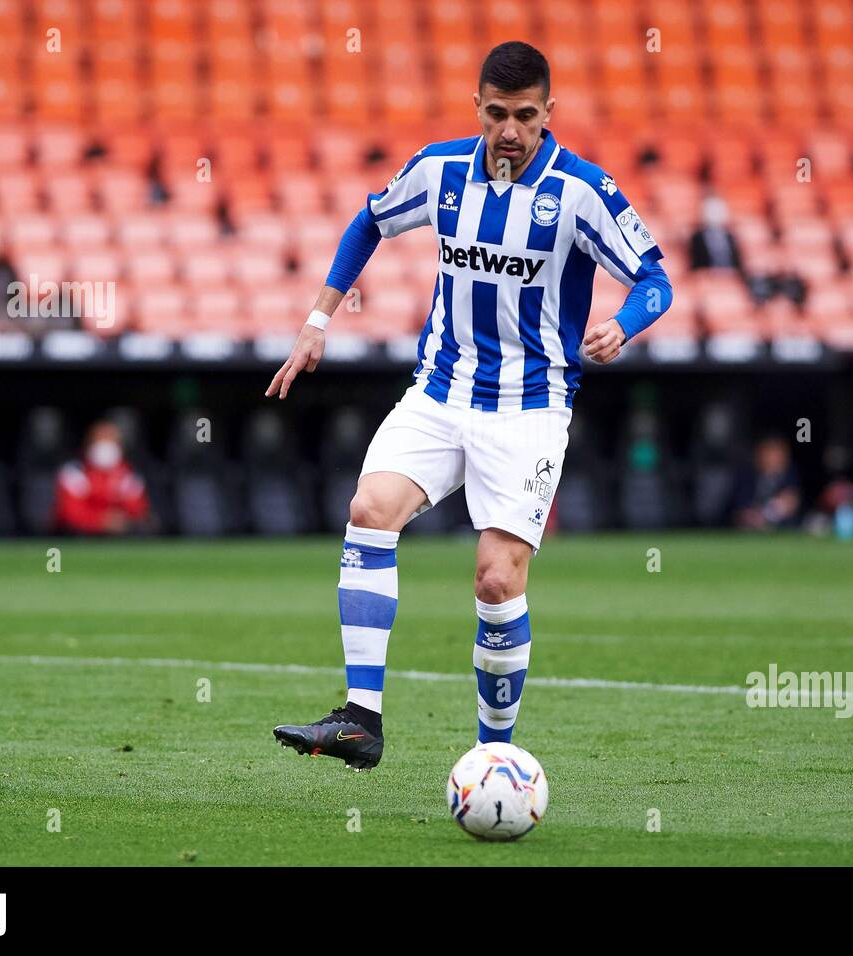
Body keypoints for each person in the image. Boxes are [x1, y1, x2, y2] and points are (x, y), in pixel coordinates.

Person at [264, 41, 672, 770]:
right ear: (476, 108)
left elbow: (653, 278)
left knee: (494, 577)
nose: (509, 130)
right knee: (368, 510)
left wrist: (623, 325)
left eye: (524, 115)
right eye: (496, 114)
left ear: (550, 113)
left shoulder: (581, 191)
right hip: (440, 390)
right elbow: (368, 222)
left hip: (530, 407)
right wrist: (317, 322)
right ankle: (361, 720)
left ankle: (495, 759)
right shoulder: (440, 169)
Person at [54, 421, 150, 534]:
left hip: (119, 536)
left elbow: (138, 509)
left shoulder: (128, 474)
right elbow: (70, 513)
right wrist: (101, 521)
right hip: (79, 536)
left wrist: (120, 521)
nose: (104, 446)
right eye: (99, 440)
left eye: (110, 440)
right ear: (88, 444)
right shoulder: (74, 472)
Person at [731, 435, 800, 530]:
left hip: (781, 528)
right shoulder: (746, 476)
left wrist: (766, 515)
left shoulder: (790, 476)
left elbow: (791, 502)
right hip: (748, 529)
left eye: (776, 454)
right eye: (767, 453)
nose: (771, 459)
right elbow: (739, 507)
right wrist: (752, 516)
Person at [688, 194, 745, 275]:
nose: (715, 215)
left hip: (730, 276)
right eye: (711, 211)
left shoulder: (730, 236)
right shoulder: (697, 237)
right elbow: (695, 263)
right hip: (707, 276)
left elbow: (737, 261)